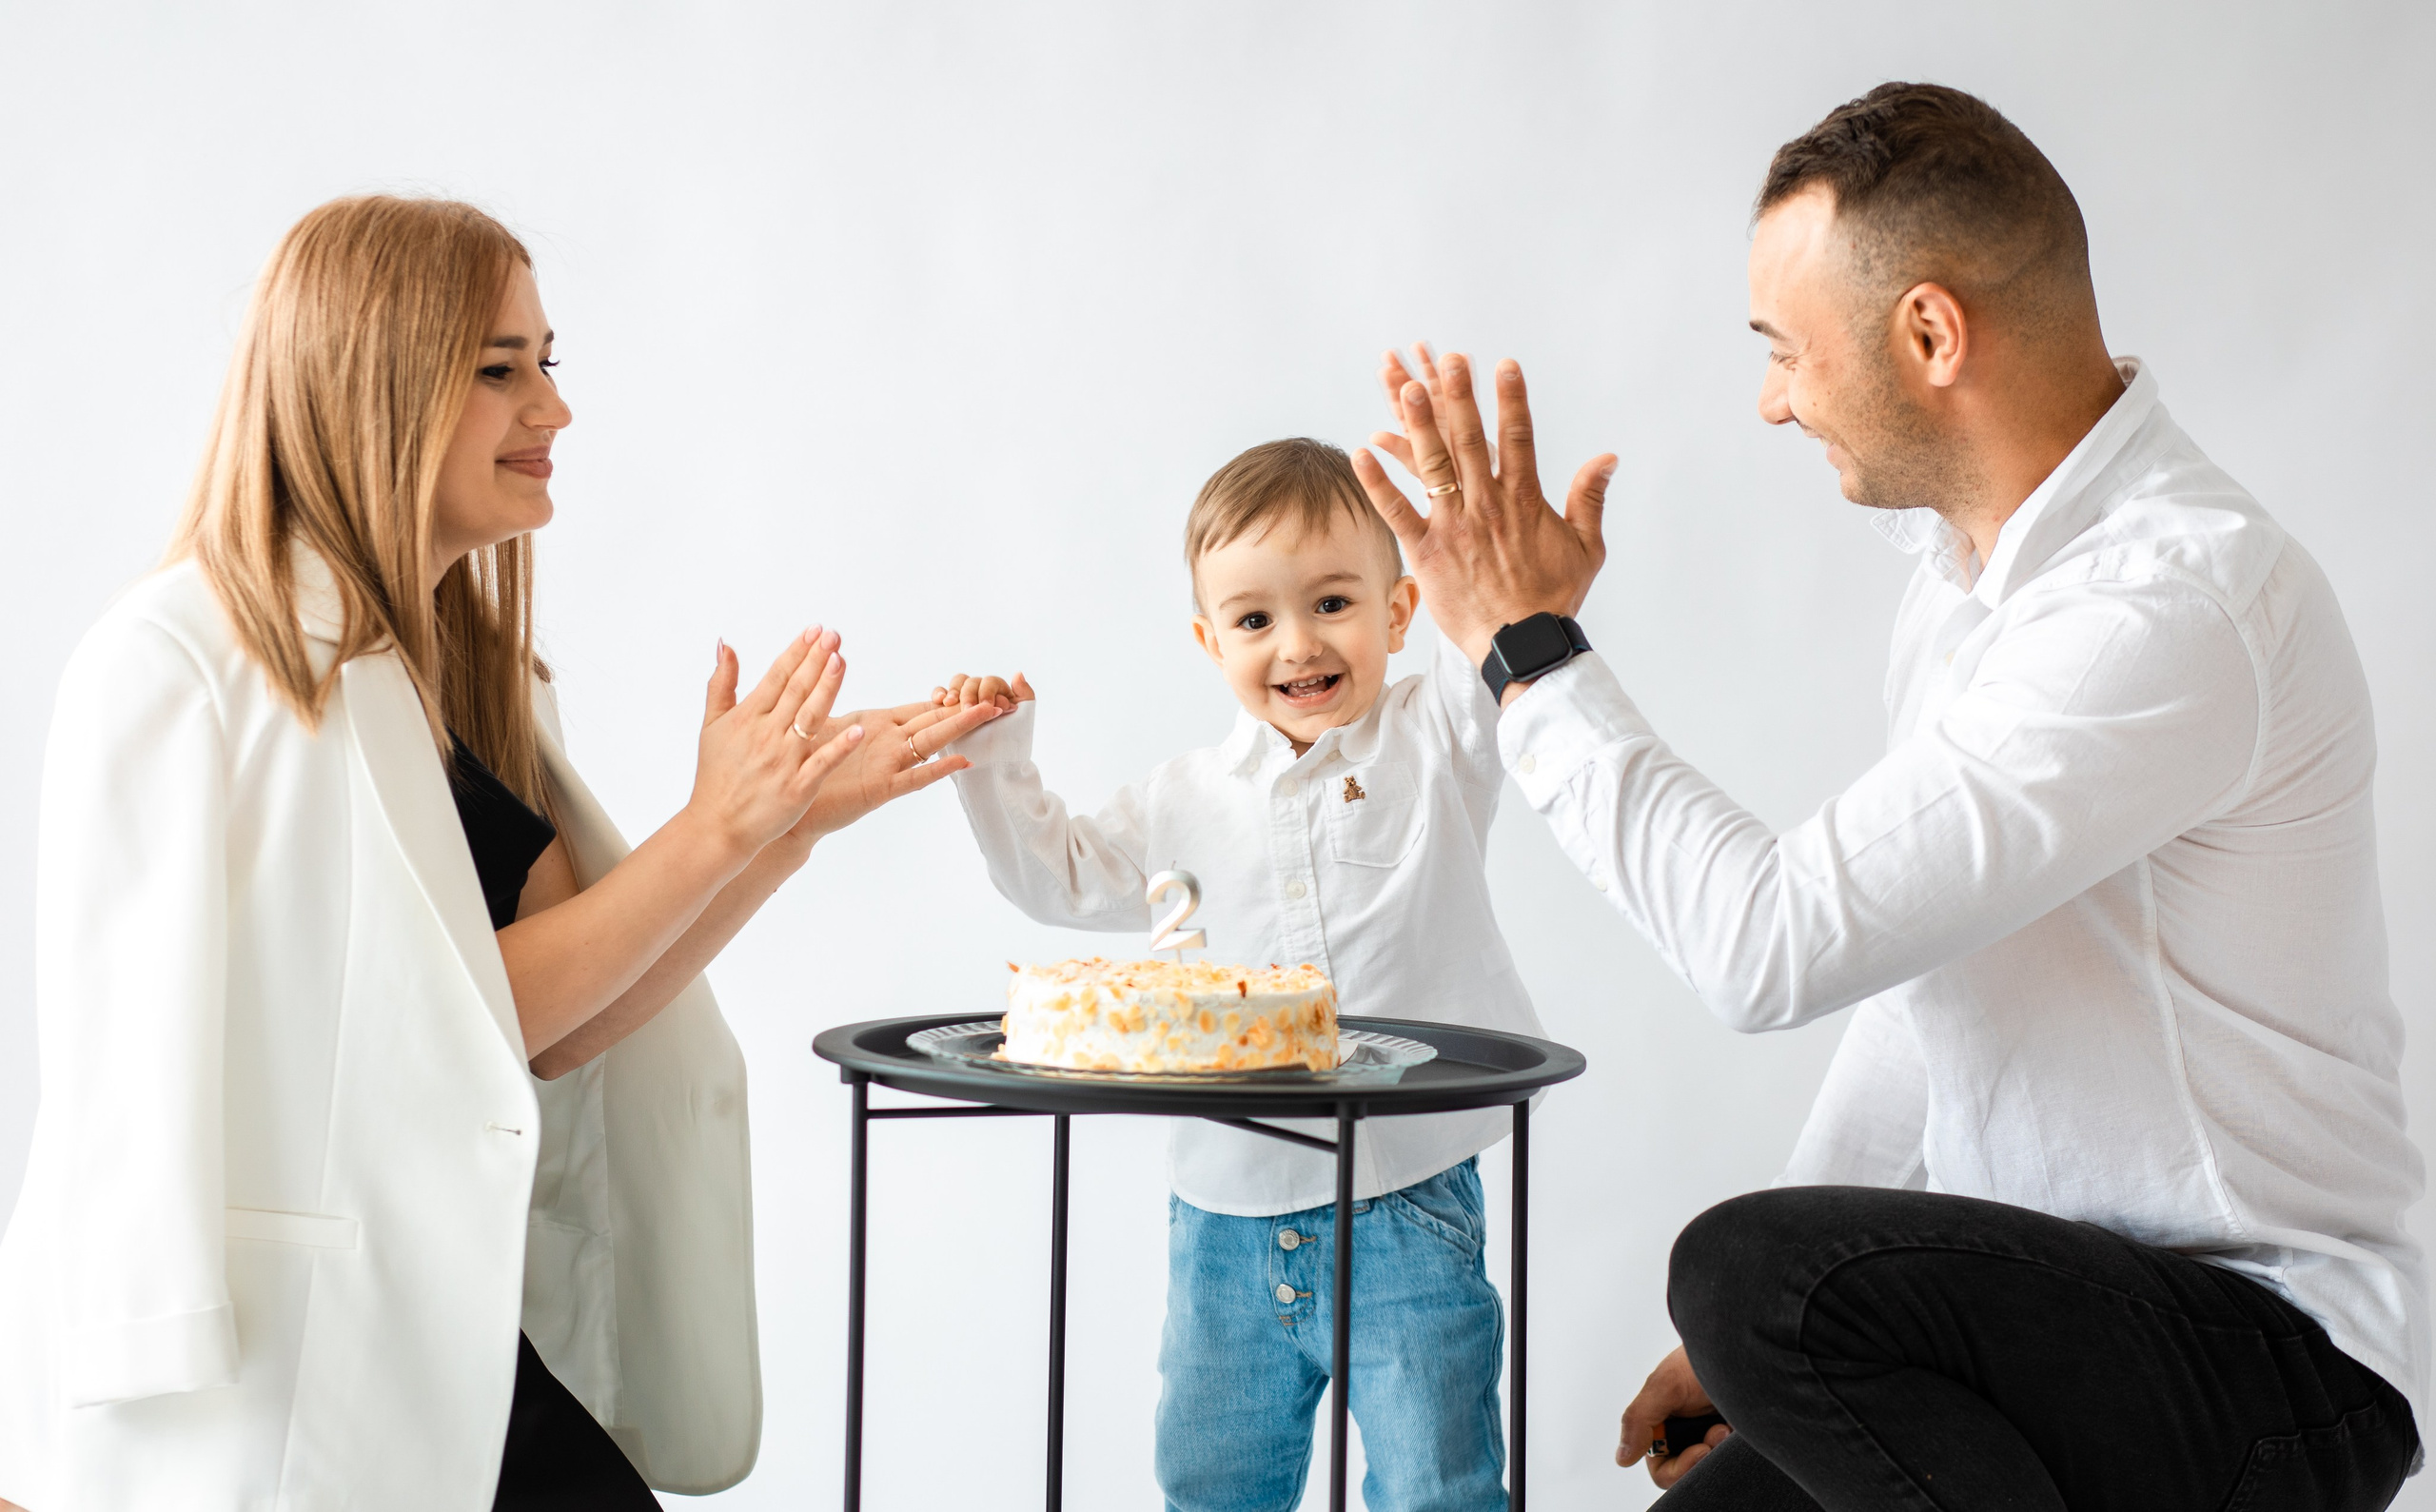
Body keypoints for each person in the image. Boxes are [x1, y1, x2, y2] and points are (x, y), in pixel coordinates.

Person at [1350, 83, 2425, 1511]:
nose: (1773, 397)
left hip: (2273, 1371)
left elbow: (1771, 945)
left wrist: (1527, 655)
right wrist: (1746, 1361)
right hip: (2032, 1341)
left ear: (1929, 333)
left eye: (1786, 349)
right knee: (1729, 1381)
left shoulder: (2173, 602)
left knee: (1746, 1267)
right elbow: (1931, 999)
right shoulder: (1967, 585)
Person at [0, 196, 1000, 1512]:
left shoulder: (482, 677)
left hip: (451, 1334)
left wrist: (777, 829)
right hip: (265, 1381)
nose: (553, 411)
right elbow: (117, 1083)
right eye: (499, 367)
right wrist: (69, 1455)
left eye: (548, 361)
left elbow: (557, 1026)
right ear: (372, 379)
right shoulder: (176, 661)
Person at [933, 438, 1534, 1512]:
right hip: (1221, 1216)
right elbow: (1060, 879)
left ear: (1399, 614)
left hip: (1403, 1196)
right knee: (1213, 1484)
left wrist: (1471, 544)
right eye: (1255, 619)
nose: (1297, 643)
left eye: (1334, 602)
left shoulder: (1435, 737)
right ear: (1211, 642)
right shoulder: (1184, 798)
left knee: (1438, 1484)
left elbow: (1501, 678)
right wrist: (996, 758)